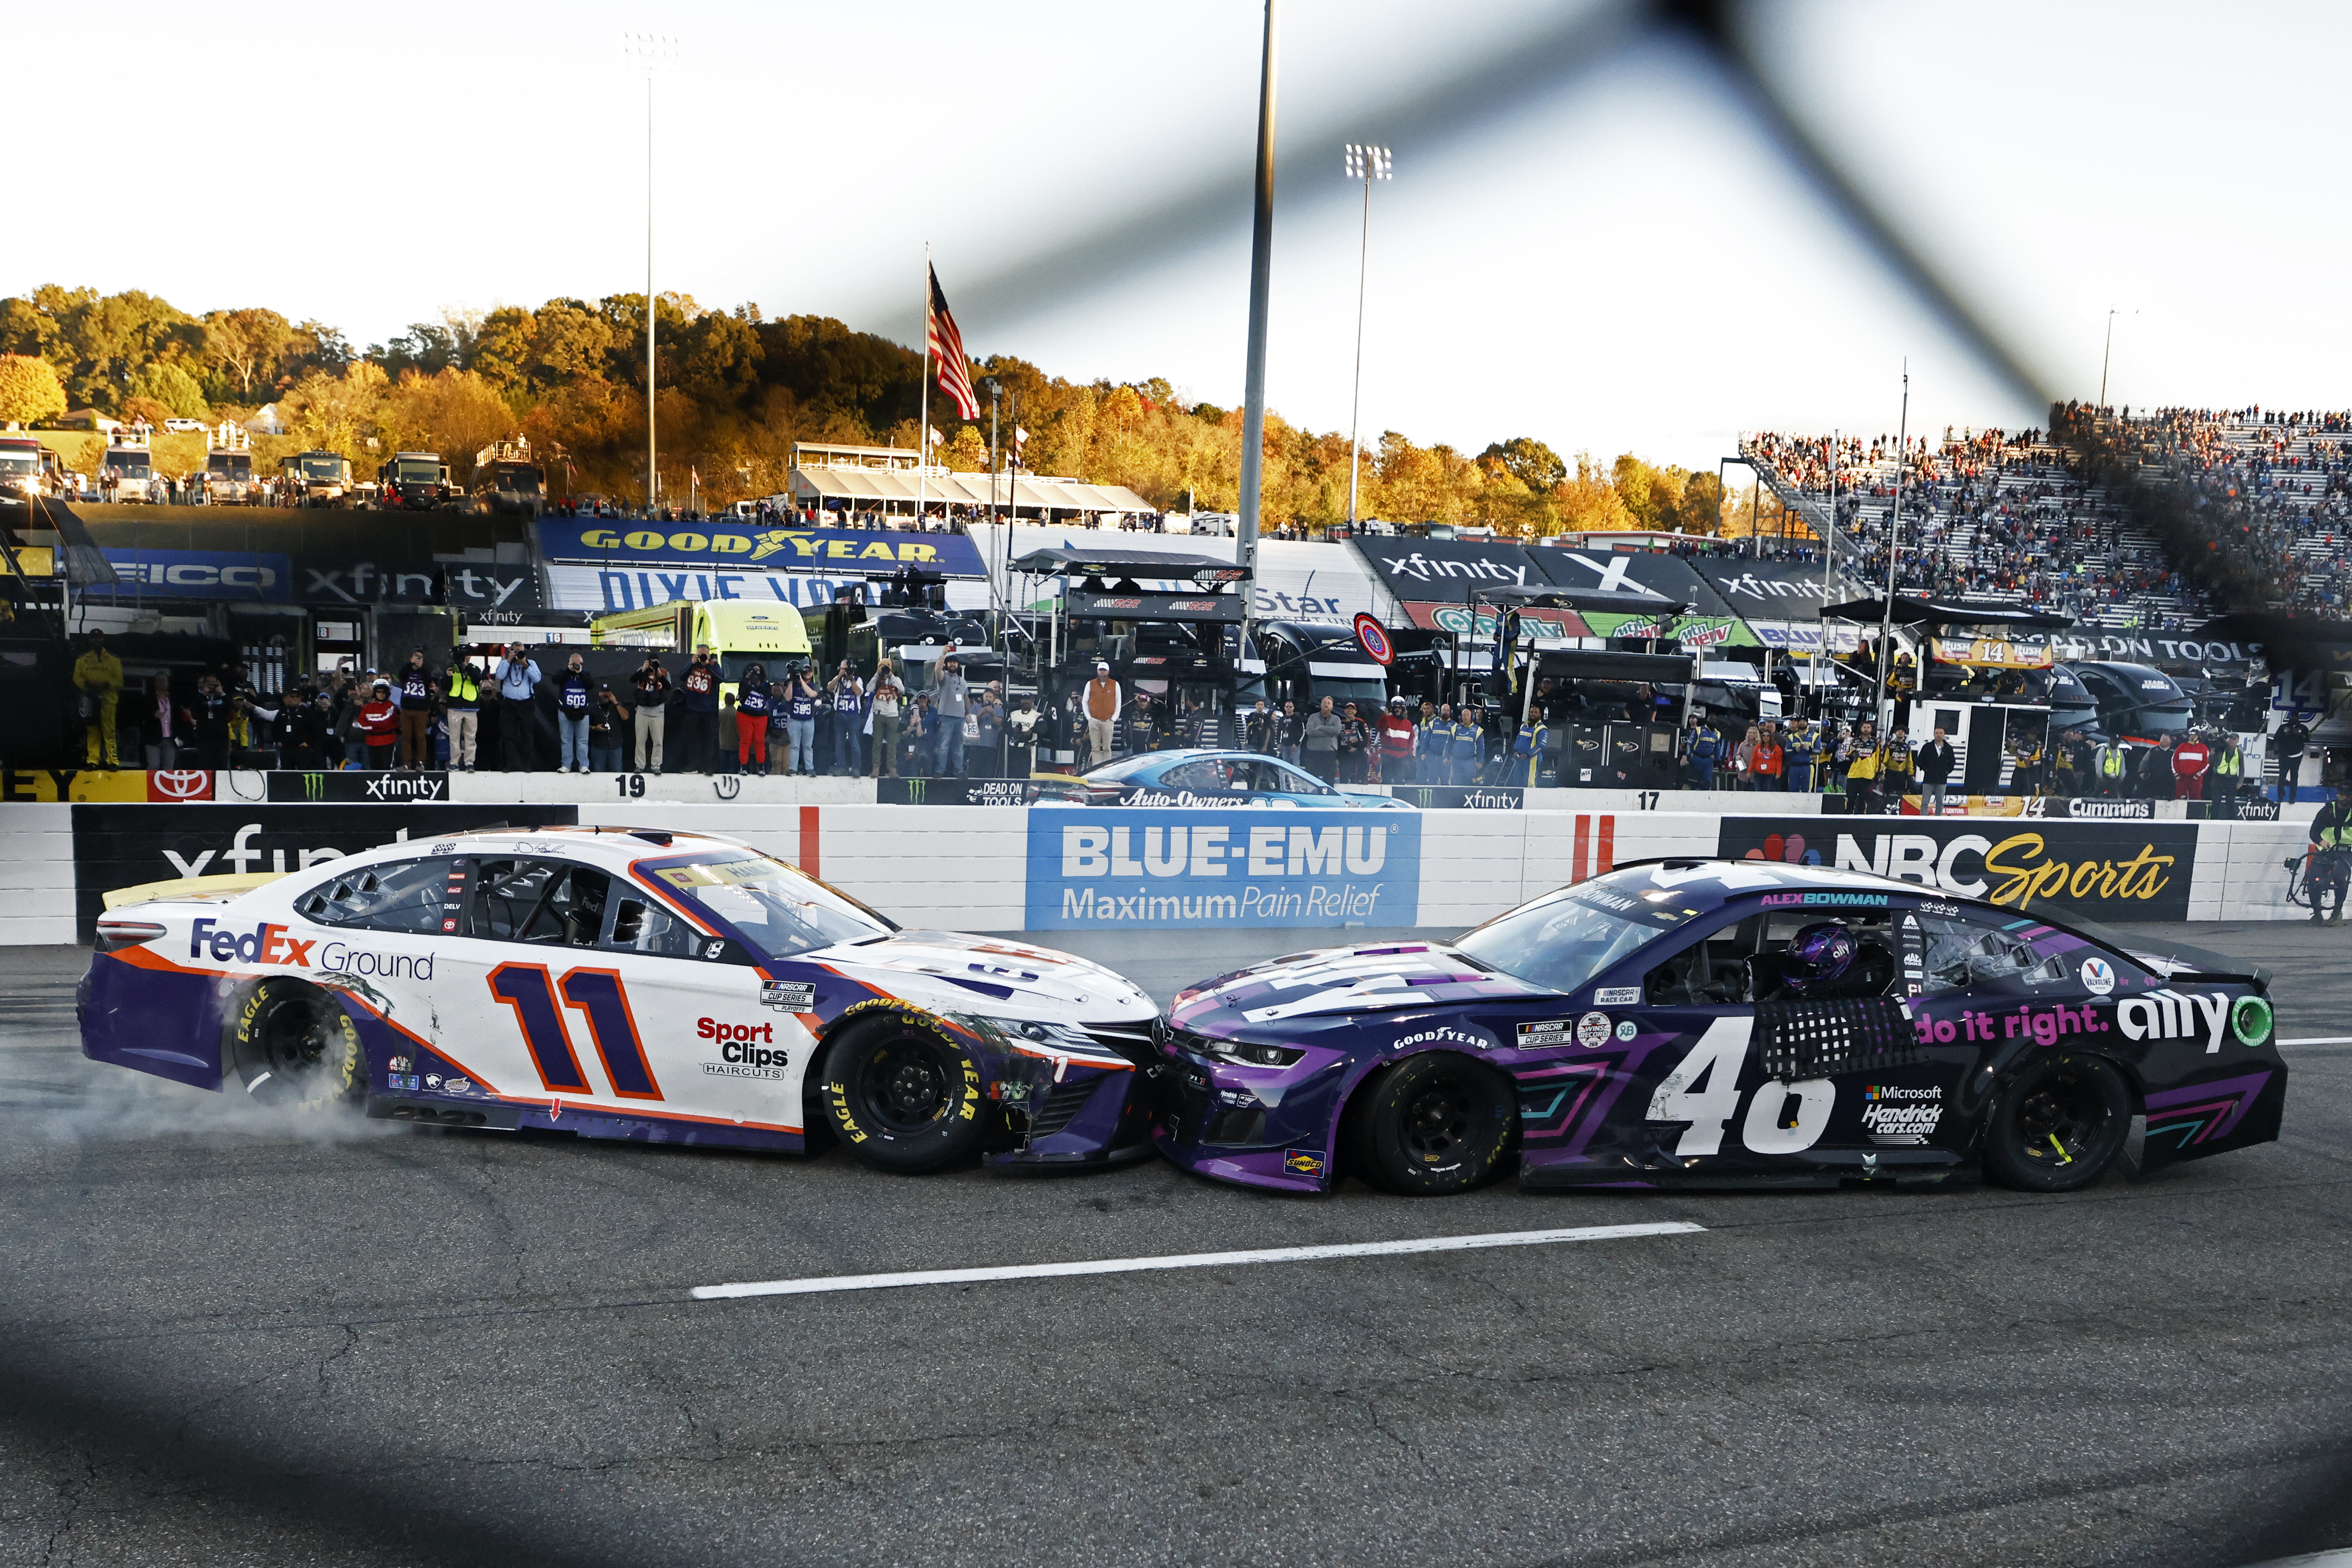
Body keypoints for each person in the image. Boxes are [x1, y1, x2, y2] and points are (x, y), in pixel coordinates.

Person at [73, 630, 124, 768]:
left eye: (100, 638)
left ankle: (112, 760)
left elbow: (120, 681)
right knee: (92, 729)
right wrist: (87, 685)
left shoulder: (114, 659)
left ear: (104, 640)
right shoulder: (82, 660)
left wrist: (107, 684)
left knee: (109, 730)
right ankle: (93, 760)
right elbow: (77, 679)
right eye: (94, 639)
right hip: (91, 699)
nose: (97, 641)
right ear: (90, 640)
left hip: (108, 701)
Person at [494, 643, 542, 772]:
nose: (517, 654)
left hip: (526, 704)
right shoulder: (505, 663)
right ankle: (510, 764)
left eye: (520, 651)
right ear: (510, 652)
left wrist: (525, 664)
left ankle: (527, 765)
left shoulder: (531, 663)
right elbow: (500, 676)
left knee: (527, 735)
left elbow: (537, 679)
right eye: (515, 651)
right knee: (509, 735)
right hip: (509, 704)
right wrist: (509, 660)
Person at [2308, 793, 2352, 925]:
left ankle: (2337, 912)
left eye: (2348, 795)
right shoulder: (2328, 810)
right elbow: (2314, 831)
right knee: (2314, 879)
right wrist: (2321, 841)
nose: (2345, 798)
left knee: (2340, 878)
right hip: (2326, 849)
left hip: (2347, 851)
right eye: (2343, 794)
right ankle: (2317, 914)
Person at [676, 644, 720, 773]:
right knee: (692, 738)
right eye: (700, 654)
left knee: (709, 739)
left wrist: (708, 665)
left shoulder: (714, 665)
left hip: (709, 710)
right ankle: (694, 765)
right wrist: (691, 663)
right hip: (692, 709)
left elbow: (721, 678)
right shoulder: (692, 665)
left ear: (709, 655)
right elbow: (682, 676)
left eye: (704, 655)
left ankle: (708, 766)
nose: (702, 657)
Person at [396, 649, 436, 769]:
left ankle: (420, 762)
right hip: (407, 708)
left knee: (420, 736)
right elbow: (401, 676)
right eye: (416, 657)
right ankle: (406, 763)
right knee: (406, 736)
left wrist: (421, 667)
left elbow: (429, 679)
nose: (418, 659)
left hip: (421, 709)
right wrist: (411, 664)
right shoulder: (407, 670)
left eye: (421, 658)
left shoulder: (425, 672)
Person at [555, 652, 594, 773]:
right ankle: (566, 765)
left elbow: (591, 685)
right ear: (569, 663)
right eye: (576, 664)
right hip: (565, 711)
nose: (578, 666)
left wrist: (580, 673)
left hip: (582, 711)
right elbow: (555, 680)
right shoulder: (564, 674)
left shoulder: (586, 674)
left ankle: (584, 765)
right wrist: (568, 670)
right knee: (566, 740)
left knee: (583, 741)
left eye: (580, 664)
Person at [631, 655, 670, 772]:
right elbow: (632, 680)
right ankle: (640, 765)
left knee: (658, 741)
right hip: (642, 711)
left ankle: (656, 766)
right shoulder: (642, 671)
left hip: (658, 712)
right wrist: (643, 670)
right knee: (640, 741)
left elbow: (669, 687)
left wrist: (660, 677)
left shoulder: (664, 672)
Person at [933, 654, 970, 777]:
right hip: (946, 717)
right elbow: (938, 670)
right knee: (944, 746)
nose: (953, 665)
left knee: (959, 747)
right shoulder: (944, 678)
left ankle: (959, 771)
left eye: (955, 663)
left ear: (959, 665)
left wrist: (968, 713)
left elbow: (966, 698)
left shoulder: (963, 681)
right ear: (946, 665)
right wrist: (943, 655)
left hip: (960, 718)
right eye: (950, 663)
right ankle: (940, 771)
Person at [827, 660, 865, 776]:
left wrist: (851, 679)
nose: (845, 672)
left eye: (847, 669)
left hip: (853, 716)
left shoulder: (858, 680)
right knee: (839, 743)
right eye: (843, 669)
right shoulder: (838, 681)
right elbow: (829, 688)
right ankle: (841, 767)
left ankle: (856, 767)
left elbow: (858, 692)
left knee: (854, 743)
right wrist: (840, 676)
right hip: (840, 715)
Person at [444, 657, 482, 771]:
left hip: (471, 708)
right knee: (454, 737)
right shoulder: (451, 669)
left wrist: (467, 666)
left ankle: (469, 763)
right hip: (455, 707)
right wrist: (447, 676)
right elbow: (445, 686)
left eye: (467, 655)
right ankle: (454, 763)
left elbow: (477, 679)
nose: (465, 658)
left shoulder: (475, 668)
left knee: (471, 737)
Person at [783, 663, 821, 776]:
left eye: (810, 671)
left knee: (808, 746)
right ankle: (793, 768)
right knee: (795, 746)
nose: (808, 673)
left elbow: (812, 694)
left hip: (809, 720)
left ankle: (810, 768)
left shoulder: (815, 685)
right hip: (795, 720)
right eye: (805, 671)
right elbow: (788, 697)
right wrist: (791, 682)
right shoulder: (794, 685)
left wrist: (802, 681)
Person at [868, 662, 903, 778]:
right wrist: (877, 676)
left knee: (892, 743)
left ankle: (892, 768)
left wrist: (891, 676)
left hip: (893, 715)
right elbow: (869, 689)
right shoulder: (877, 679)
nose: (884, 670)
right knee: (877, 742)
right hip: (879, 714)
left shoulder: (895, 679)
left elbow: (902, 689)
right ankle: (876, 768)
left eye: (887, 667)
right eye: (882, 667)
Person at [734, 662, 770, 774]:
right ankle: (744, 767)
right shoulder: (744, 683)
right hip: (745, 714)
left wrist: (759, 685)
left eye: (757, 671)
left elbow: (768, 695)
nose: (755, 673)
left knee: (760, 742)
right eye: (753, 671)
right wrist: (748, 680)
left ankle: (761, 767)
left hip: (760, 716)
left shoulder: (765, 684)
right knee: (745, 742)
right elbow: (743, 694)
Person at [139, 672, 180, 769]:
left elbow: (178, 718)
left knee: (169, 768)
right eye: (160, 680)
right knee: (154, 765)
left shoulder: (173, 699)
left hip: (170, 738)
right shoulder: (148, 699)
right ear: (155, 683)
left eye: (165, 680)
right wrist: (153, 715)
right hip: (153, 738)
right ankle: (151, 784)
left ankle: (167, 784)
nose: (163, 683)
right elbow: (141, 715)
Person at [356, 679, 401, 767]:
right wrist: (374, 727)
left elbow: (384, 721)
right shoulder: (367, 707)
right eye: (379, 691)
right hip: (371, 742)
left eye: (384, 692)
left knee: (386, 768)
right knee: (374, 769)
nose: (381, 694)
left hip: (387, 741)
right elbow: (361, 723)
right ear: (375, 692)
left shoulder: (391, 706)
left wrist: (370, 722)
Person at [1083, 662, 1121, 765]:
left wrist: (1113, 719)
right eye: (1101, 670)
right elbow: (1085, 702)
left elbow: (1118, 703)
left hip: (1108, 721)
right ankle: (1096, 768)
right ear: (1097, 671)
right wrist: (1089, 718)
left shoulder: (1115, 684)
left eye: (1104, 670)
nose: (1102, 673)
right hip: (1094, 720)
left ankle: (1106, 768)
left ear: (1108, 672)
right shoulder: (1090, 684)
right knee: (1095, 748)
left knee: (1107, 748)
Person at [1916, 724, 1957, 815]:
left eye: (1941, 733)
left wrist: (1947, 772)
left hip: (1942, 780)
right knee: (1925, 802)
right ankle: (1924, 818)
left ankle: (1938, 819)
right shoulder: (1927, 747)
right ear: (1934, 735)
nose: (1939, 735)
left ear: (1944, 735)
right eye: (1937, 733)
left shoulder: (1948, 748)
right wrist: (1926, 769)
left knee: (1940, 803)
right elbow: (1920, 760)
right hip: (1928, 780)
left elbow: (1952, 762)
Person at [589, 684, 628, 774]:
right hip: (599, 746)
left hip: (615, 745)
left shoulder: (616, 707)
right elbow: (584, 726)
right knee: (598, 772)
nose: (606, 696)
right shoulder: (593, 708)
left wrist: (616, 703)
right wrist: (595, 728)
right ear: (599, 694)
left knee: (618, 772)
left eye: (608, 694)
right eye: (604, 694)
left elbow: (625, 717)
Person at [1378, 698, 1417, 785]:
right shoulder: (1387, 719)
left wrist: (1411, 756)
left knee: (1399, 780)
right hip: (1388, 754)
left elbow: (1410, 742)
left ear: (1403, 709)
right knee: (1387, 780)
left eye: (1400, 708)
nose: (1397, 709)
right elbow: (1380, 728)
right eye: (1396, 707)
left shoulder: (1408, 724)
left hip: (1401, 756)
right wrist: (1385, 717)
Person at [1302, 695, 1342, 780]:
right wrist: (1329, 733)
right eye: (1324, 703)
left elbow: (1337, 731)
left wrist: (1321, 728)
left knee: (1329, 780)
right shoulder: (1313, 717)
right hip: (1313, 753)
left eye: (1329, 703)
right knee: (1311, 780)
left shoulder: (1337, 719)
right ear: (1321, 705)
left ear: (1332, 707)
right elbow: (1310, 731)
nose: (1326, 705)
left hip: (1330, 754)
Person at [1335, 702, 1371, 784]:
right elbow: (1337, 740)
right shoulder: (1340, 723)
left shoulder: (1361, 723)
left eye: (1352, 709)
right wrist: (1338, 756)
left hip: (1358, 751)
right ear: (1345, 711)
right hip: (1344, 752)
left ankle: (1362, 782)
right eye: (1348, 709)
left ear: (1355, 711)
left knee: (1363, 763)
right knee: (1344, 776)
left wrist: (1357, 749)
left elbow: (1367, 738)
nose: (1350, 711)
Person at [1006, 694, 1041, 776]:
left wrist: (1032, 730)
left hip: (1028, 750)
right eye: (1023, 699)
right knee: (1012, 774)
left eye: (1028, 699)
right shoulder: (1014, 714)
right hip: (1013, 749)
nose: (1025, 702)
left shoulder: (1037, 715)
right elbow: (1004, 728)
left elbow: (1043, 728)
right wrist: (1013, 730)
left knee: (1027, 774)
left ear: (1032, 701)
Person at [1686, 713, 1722, 791]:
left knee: (1707, 782)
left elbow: (1717, 748)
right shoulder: (1698, 730)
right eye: (1711, 719)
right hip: (1697, 758)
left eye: (1714, 720)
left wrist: (1718, 760)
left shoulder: (1718, 734)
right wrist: (1688, 755)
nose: (1712, 721)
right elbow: (1690, 743)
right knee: (1695, 781)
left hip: (1708, 760)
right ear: (1707, 720)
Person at [2173, 729, 2211, 801]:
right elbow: (2174, 761)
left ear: (2199, 737)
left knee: (2196, 798)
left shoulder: (2204, 748)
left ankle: (2195, 812)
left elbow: (2206, 764)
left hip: (2196, 778)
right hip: (2182, 777)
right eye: (2191, 735)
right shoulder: (2181, 747)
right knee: (2180, 798)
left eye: (2195, 735)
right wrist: (2177, 774)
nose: (2193, 737)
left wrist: (2199, 774)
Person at [1782, 717, 1816, 795]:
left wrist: (1810, 749)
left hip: (1807, 766)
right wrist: (1795, 750)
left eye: (1804, 721)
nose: (1802, 723)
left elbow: (1819, 751)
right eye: (1800, 721)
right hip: (1794, 766)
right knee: (1792, 790)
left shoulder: (1814, 735)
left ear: (1807, 723)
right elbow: (1786, 751)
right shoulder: (1792, 736)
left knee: (1806, 790)